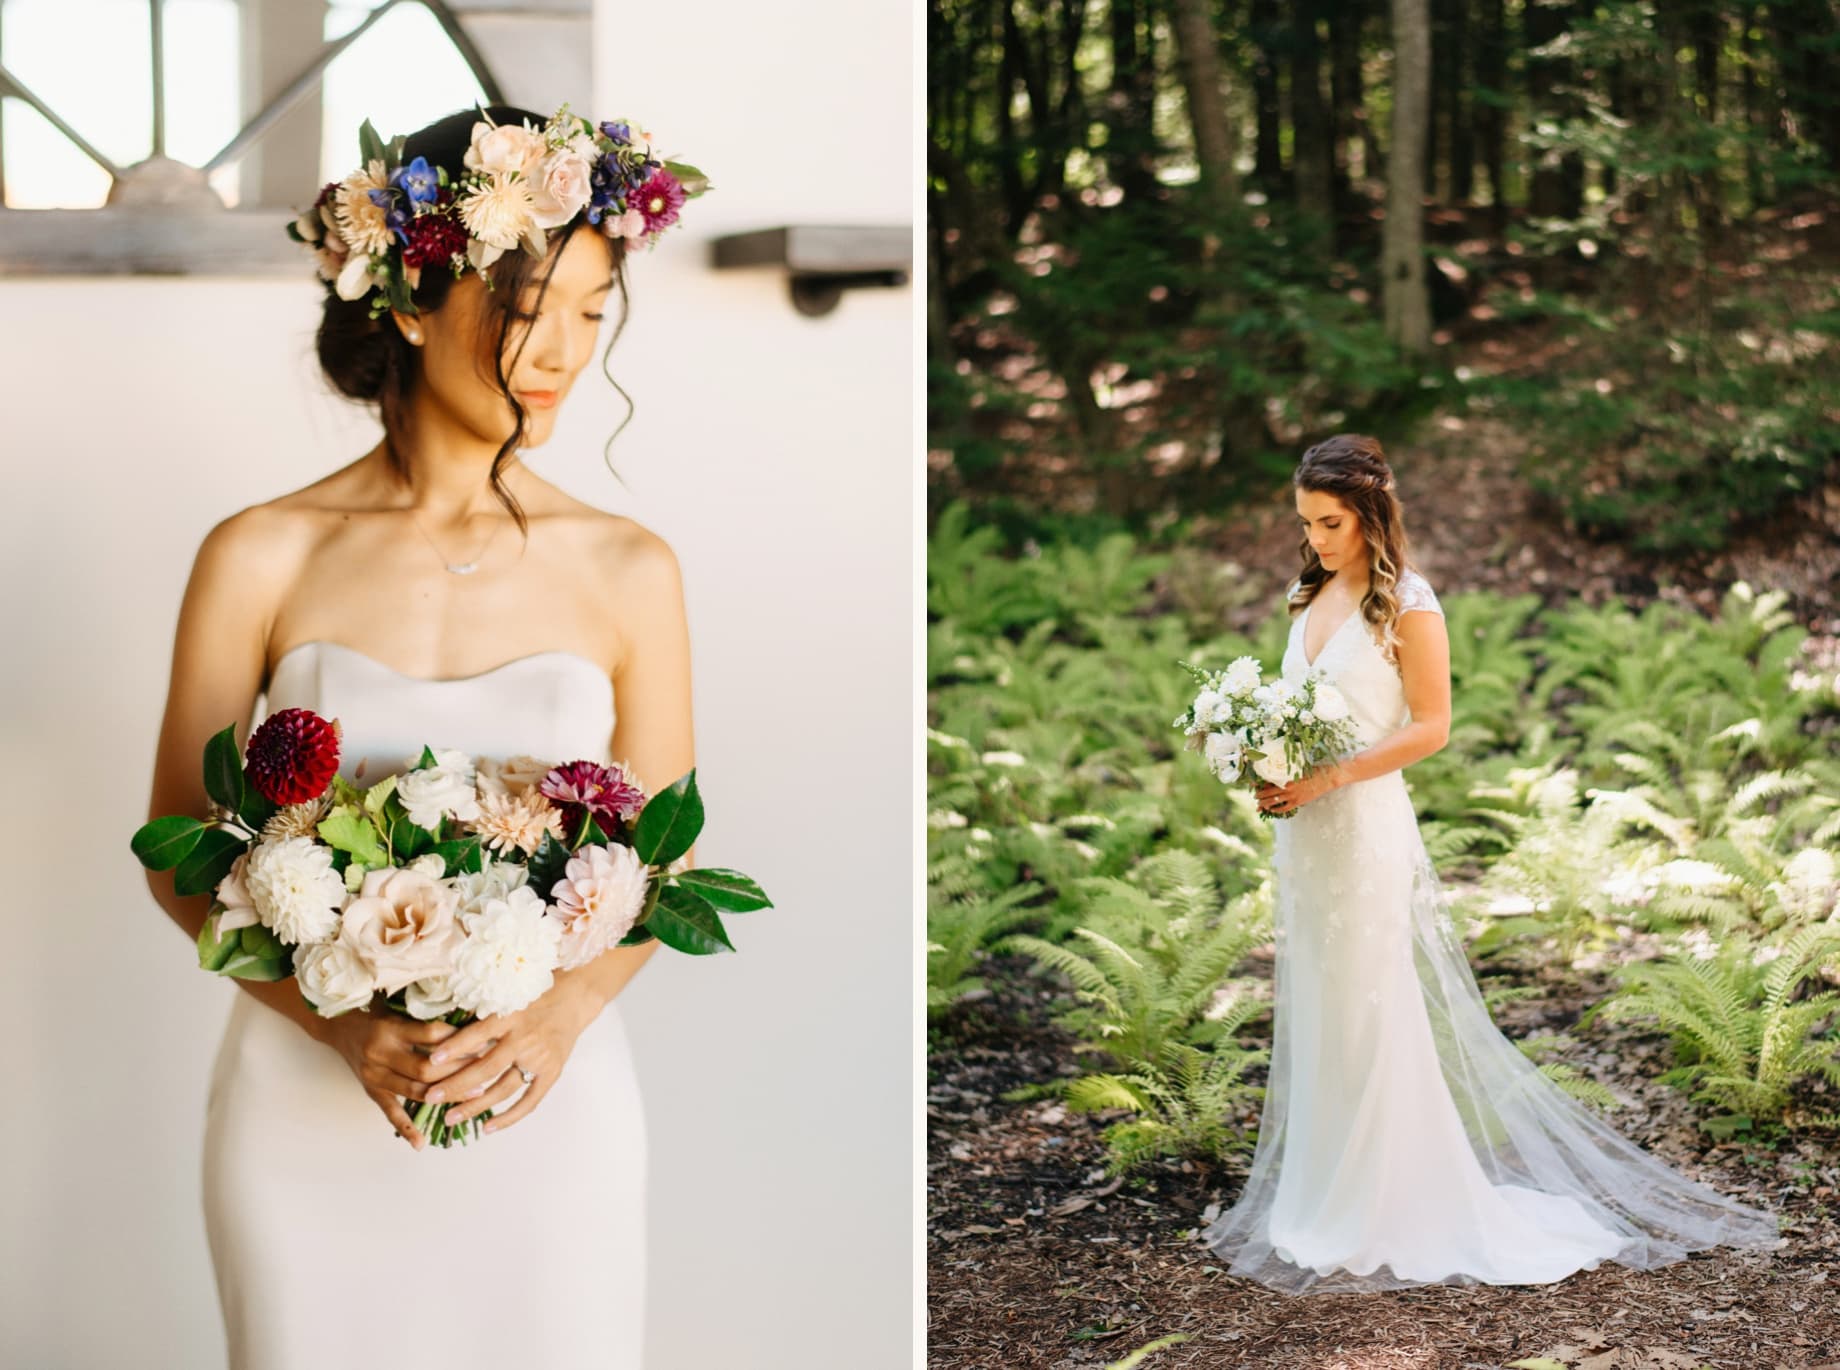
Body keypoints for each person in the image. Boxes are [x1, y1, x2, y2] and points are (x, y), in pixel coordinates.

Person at [141, 104, 702, 1366]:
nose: (560, 352)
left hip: (540, 1097)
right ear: (407, 300)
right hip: (303, 1090)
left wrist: (558, 1018)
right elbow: (176, 849)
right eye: (524, 312)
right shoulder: (259, 552)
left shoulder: (629, 569)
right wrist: (340, 1023)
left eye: (591, 314)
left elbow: (661, 864)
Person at [1202, 433, 1782, 1295]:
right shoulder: (1307, 594)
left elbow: (1431, 726)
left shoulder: (1411, 605)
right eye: (1306, 523)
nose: (1317, 538)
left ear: (1368, 514)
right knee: (1321, 1003)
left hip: (1362, 824)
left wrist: (1328, 775)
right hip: (1308, 832)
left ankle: (1390, 1202)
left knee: (1372, 1003)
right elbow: (1298, 709)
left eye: (1331, 522)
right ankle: (1320, 1194)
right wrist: (1268, 764)